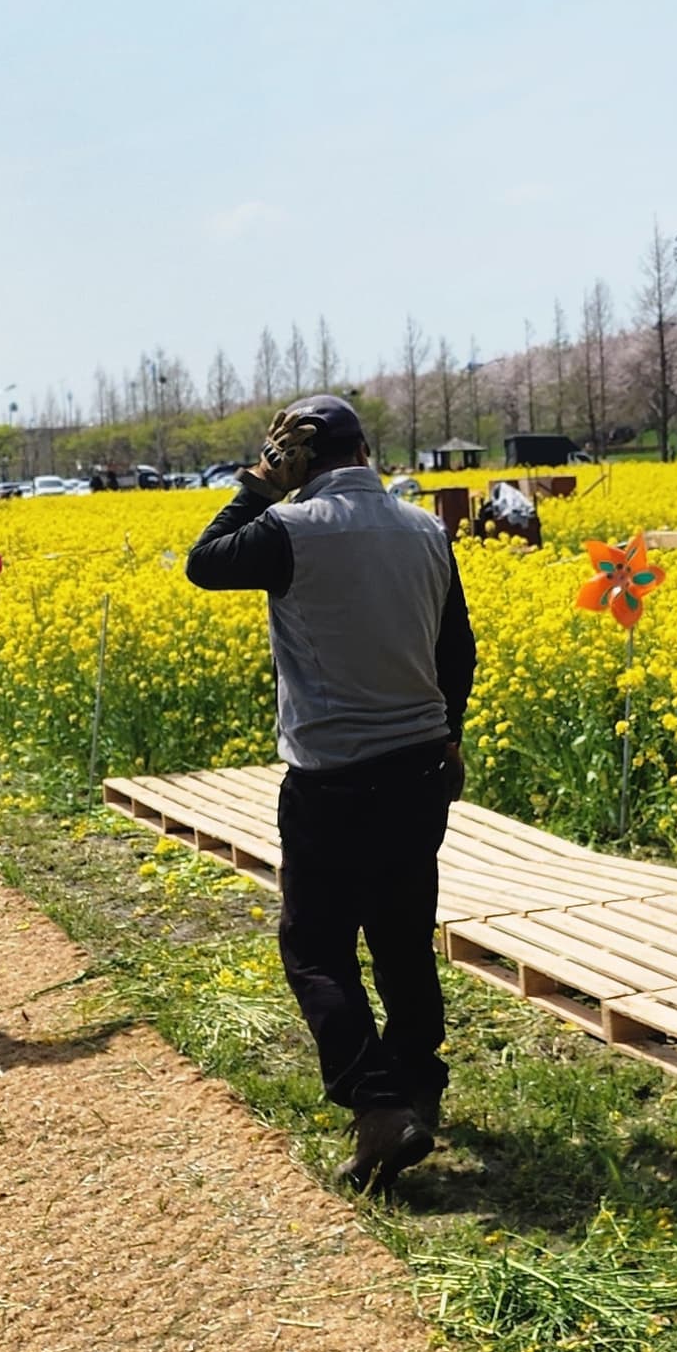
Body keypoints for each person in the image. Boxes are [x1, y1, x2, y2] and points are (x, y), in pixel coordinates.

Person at [185, 394, 476, 1190]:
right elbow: (459, 649)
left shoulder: (288, 529)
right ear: (365, 448)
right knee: (403, 933)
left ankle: (378, 1105)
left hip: (333, 779)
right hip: (421, 770)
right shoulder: (426, 530)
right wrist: (449, 734)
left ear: (299, 456)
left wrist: (257, 483)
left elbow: (204, 562)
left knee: (316, 948)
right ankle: (418, 1080)